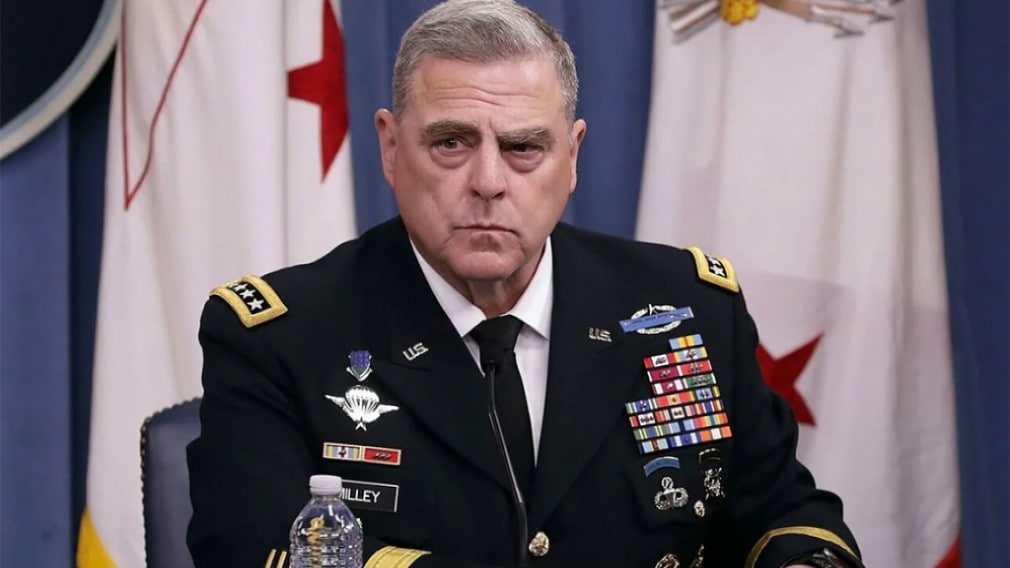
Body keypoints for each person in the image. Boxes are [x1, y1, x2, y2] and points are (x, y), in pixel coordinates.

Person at [187, 1, 864, 567]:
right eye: (451, 143)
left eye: (523, 148)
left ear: (571, 157)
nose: (488, 182)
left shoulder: (688, 309)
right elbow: (253, 547)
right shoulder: (281, 339)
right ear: (391, 148)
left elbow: (783, 511)